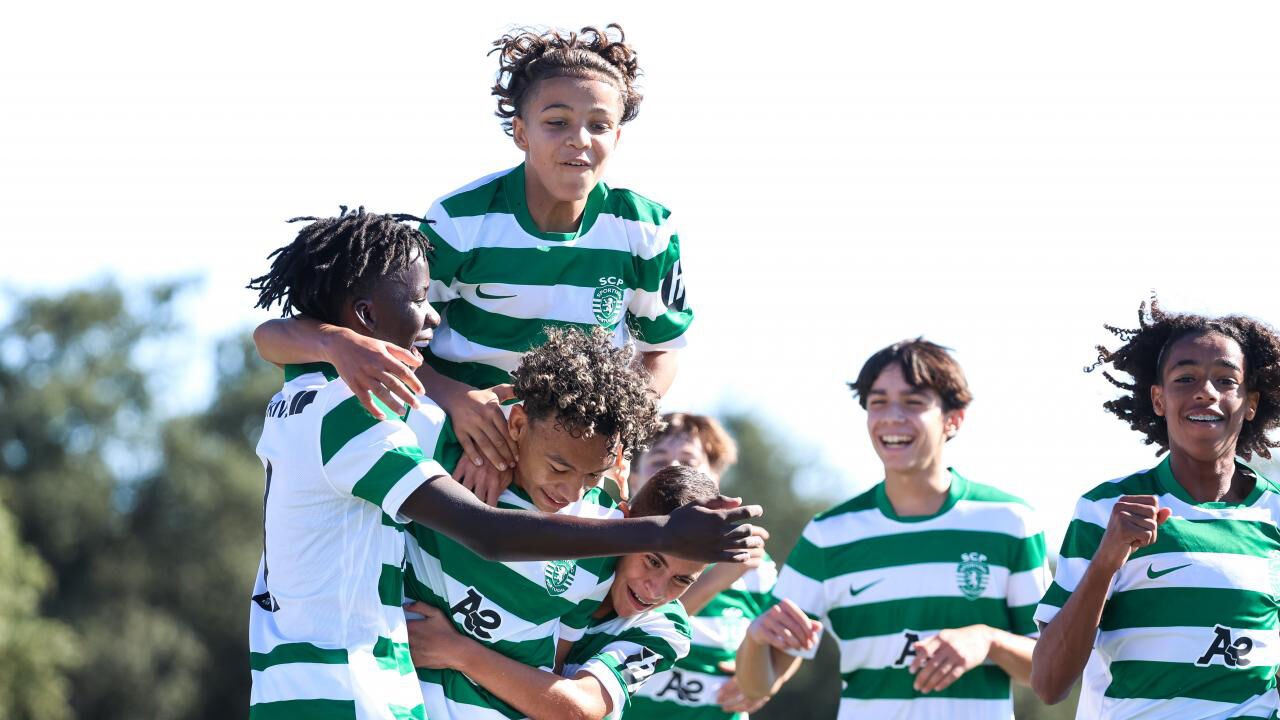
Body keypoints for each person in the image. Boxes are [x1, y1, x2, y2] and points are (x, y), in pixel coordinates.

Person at [244, 208, 757, 719]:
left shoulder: (315, 398)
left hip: (309, 686)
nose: (434, 316)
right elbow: (488, 533)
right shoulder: (353, 411)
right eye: (421, 298)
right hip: (343, 690)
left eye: (590, 477)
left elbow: (273, 336)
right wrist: (659, 533)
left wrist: (338, 342)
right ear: (365, 316)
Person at [250, 24, 691, 505]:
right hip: (461, 443)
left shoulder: (646, 230)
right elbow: (394, 334)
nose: (579, 140)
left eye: (599, 125)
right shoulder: (462, 220)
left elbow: (661, 349)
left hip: (573, 454)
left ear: (618, 136)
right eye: (557, 122)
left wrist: (612, 429)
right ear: (521, 132)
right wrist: (457, 403)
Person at [736, 339, 1048, 719]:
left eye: (914, 403)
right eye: (878, 402)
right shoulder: (828, 534)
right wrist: (756, 635)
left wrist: (987, 640)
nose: (892, 417)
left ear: (954, 419)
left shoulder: (1010, 522)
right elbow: (757, 686)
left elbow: (1048, 669)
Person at [399, 325, 693, 718]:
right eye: (559, 468)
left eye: (592, 477)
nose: (572, 493)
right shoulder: (457, 455)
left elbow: (560, 681)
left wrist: (458, 652)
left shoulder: (600, 548)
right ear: (517, 425)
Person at [1031, 299, 1280, 719]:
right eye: (1186, 378)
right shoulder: (1104, 509)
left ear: (1251, 403)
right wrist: (1108, 558)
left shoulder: (1274, 514)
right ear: (1159, 399)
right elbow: (1048, 683)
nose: (1206, 392)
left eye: (1226, 380)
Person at [405, 465, 721, 720]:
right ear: (626, 523)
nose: (656, 588)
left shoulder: (665, 627)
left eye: (681, 580)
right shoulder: (566, 530)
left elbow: (579, 710)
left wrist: (458, 653)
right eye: (652, 561)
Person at [626, 413, 779, 719]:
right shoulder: (617, 549)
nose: (673, 470)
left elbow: (784, 640)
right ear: (632, 480)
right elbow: (629, 632)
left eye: (688, 462)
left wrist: (765, 681)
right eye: (658, 461)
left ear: (714, 483)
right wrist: (715, 582)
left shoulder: (754, 568)